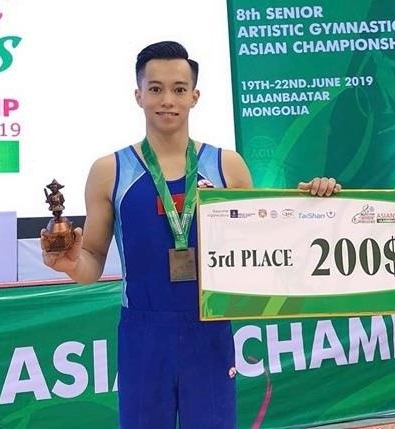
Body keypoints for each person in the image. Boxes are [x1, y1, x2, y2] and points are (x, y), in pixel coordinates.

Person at [41, 41, 340, 429]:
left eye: (179, 89)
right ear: (139, 95)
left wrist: (313, 205)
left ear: (194, 96)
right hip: (143, 335)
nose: (168, 99)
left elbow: (266, 247)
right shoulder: (109, 171)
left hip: (209, 331)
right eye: (156, 88)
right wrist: (68, 264)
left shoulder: (227, 166)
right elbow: (93, 262)